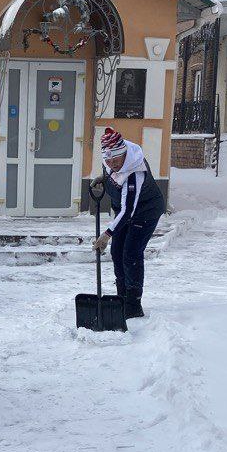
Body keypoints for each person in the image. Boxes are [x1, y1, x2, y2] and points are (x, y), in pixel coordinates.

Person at [92, 126, 166, 320]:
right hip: (127, 211)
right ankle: (121, 298)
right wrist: (106, 178)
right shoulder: (111, 161)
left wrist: (106, 235)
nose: (112, 164)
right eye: (108, 161)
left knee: (131, 253)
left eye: (115, 160)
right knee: (117, 252)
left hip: (145, 211)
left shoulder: (135, 172)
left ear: (124, 154)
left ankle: (133, 305)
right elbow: (114, 172)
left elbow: (128, 210)